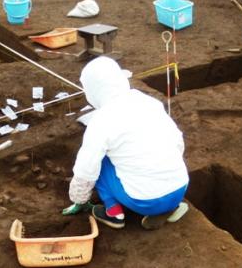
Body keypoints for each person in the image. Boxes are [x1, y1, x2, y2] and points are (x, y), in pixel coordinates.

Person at [68, 57, 189, 230]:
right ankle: (171, 207)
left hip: (143, 201)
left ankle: (114, 212)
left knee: (100, 160)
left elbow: (87, 167)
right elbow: (177, 142)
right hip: (180, 188)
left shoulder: (101, 121)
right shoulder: (149, 103)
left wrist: (79, 198)